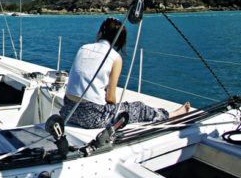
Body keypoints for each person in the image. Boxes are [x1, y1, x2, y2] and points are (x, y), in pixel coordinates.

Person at [60, 17, 190, 129]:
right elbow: (110, 98)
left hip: (67, 111)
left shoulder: (83, 48)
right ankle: (172, 115)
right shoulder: (115, 57)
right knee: (138, 108)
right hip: (91, 118)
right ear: (120, 40)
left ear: (101, 33)